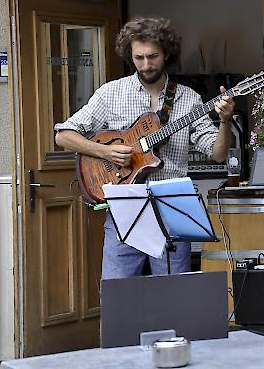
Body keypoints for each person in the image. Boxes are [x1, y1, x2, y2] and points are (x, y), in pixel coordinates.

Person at [54, 17, 235, 280]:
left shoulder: (189, 99)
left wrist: (226, 121)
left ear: (166, 54)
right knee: (117, 295)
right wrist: (105, 152)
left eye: (153, 56)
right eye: (138, 57)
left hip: (172, 212)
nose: (146, 65)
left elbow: (217, 154)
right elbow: (63, 135)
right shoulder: (111, 93)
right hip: (124, 211)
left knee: (172, 295)